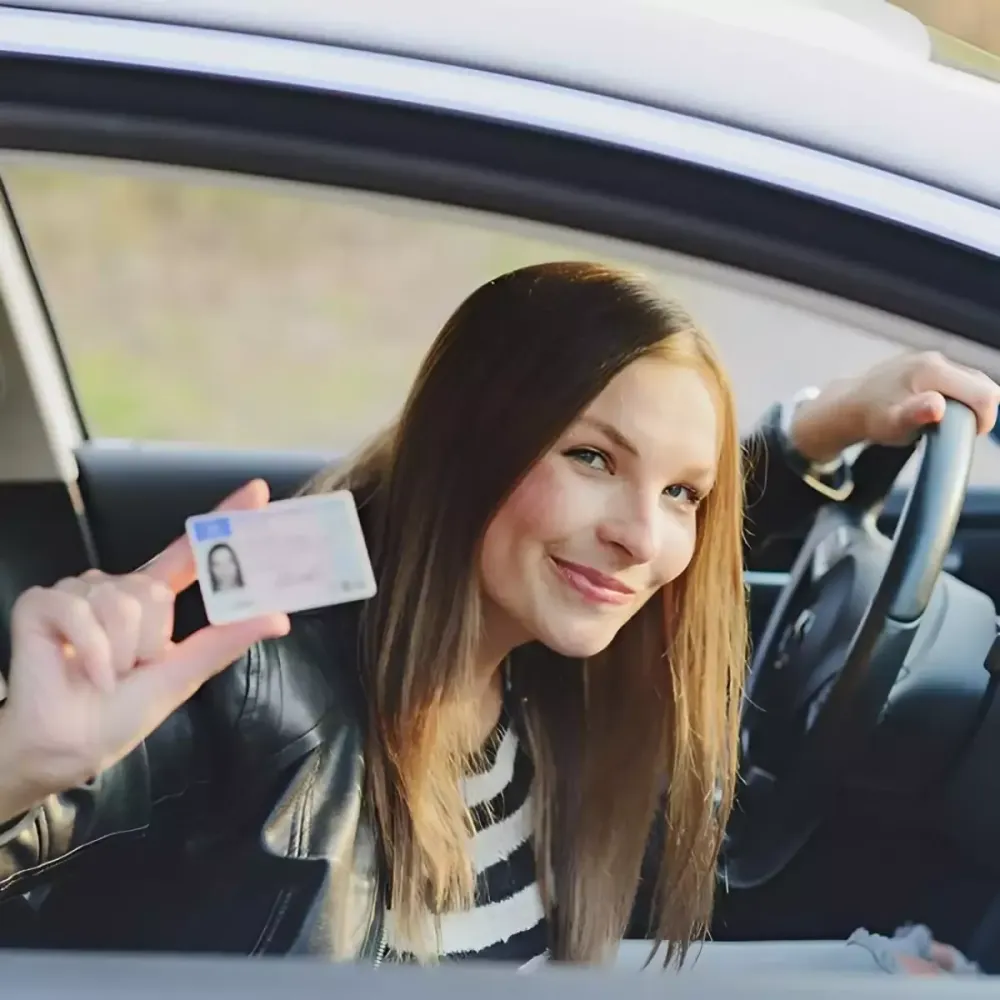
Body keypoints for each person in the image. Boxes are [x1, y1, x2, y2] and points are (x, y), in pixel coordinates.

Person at [0, 262, 996, 970]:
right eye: (591, 458)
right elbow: (52, 814)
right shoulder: (259, 661)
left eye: (684, 495)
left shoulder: (538, 657)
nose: (642, 540)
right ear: (467, 444)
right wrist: (24, 760)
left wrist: (818, 423)